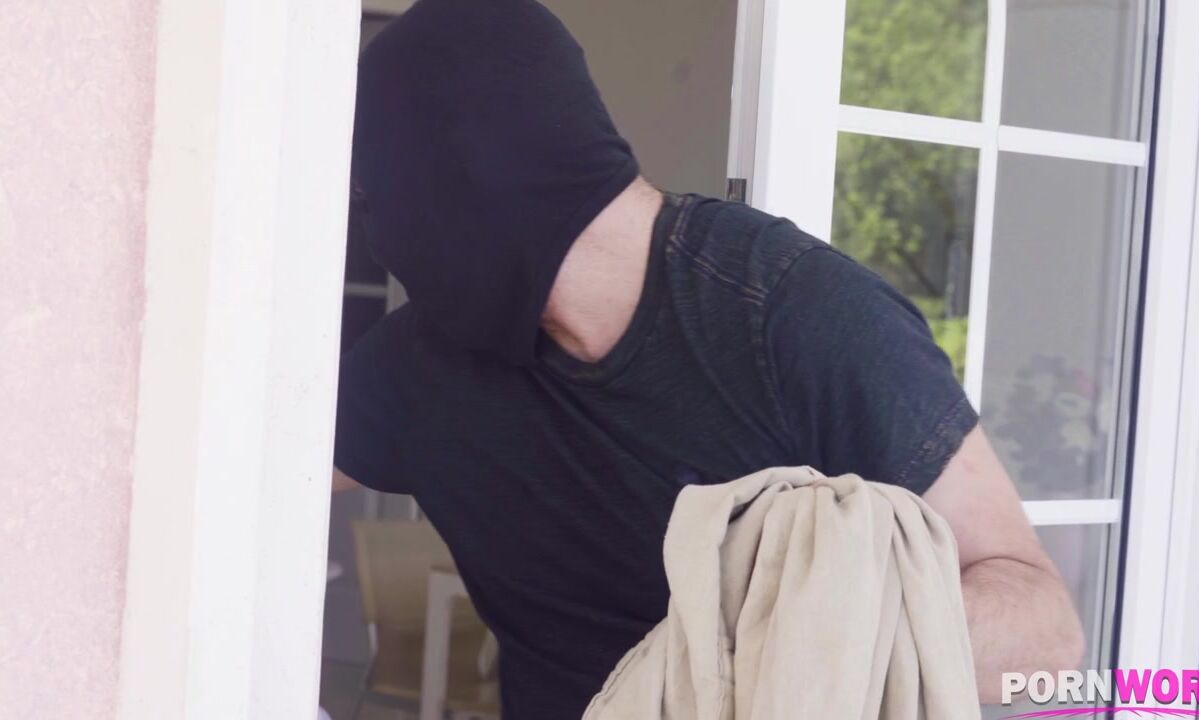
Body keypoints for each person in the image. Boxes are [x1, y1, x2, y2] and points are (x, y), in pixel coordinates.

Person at [334, 0, 1083, 717]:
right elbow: (270, 482)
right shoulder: (417, 366)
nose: (372, 234)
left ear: (474, 166)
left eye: (370, 194)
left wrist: (804, 632)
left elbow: (1046, 638)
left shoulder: (801, 318)